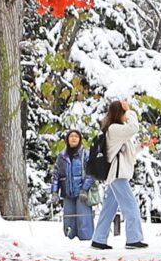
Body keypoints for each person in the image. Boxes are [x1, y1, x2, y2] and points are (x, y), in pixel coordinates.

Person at [90, 100, 148, 250]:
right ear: (120, 113)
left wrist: (141, 146)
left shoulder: (117, 130)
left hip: (117, 175)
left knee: (109, 209)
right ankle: (133, 239)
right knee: (131, 206)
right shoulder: (114, 128)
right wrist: (130, 111)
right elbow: (134, 127)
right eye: (124, 113)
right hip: (118, 176)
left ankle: (99, 239)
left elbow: (126, 153)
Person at [51, 129, 94, 241]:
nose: (74, 138)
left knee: (83, 221)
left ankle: (86, 243)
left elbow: (91, 173)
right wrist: (55, 191)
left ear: (80, 139)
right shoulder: (62, 156)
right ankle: (69, 243)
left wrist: (85, 189)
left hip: (82, 194)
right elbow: (56, 175)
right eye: (71, 136)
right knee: (69, 222)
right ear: (67, 139)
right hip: (67, 193)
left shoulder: (86, 154)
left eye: (76, 136)